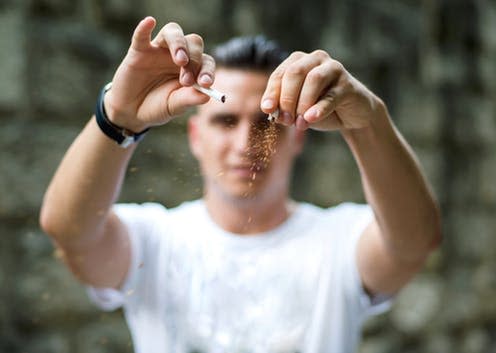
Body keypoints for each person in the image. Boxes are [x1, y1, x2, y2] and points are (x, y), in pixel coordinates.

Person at [40, 16, 441, 353]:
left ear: (298, 137)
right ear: (196, 136)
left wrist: (369, 122)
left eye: (267, 122)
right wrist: (117, 116)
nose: (246, 144)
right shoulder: (155, 241)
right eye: (225, 120)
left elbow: (414, 241)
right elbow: (69, 230)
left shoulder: (338, 240)